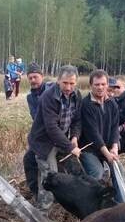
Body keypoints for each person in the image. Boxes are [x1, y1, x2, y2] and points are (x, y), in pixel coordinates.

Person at [27, 65, 83, 211]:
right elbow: (51, 128)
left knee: (76, 170)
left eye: (72, 83)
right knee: (50, 178)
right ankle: (42, 214)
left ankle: (71, 205)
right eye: (65, 83)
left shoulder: (77, 95)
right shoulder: (48, 97)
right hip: (44, 142)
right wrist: (70, 147)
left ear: (76, 82)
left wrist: (75, 137)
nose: (69, 87)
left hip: (62, 139)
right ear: (58, 80)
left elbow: (77, 120)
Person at [79, 70, 125, 202]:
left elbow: (114, 128)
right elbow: (93, 135)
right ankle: (92, 206)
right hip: (89, 149)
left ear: (107, 86)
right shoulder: (86, 105)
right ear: (90, 85)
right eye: (97, 84)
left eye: (103, 84)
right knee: (97, 174)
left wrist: (115, 148)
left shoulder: (112, 104)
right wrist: (107, 154)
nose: (100, 87)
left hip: (107, 148)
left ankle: (119, 205)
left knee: (119, 172)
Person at [22, 62, 53, 197]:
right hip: (42, 136)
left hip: (56, 134)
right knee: (29, 159)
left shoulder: (51, 90)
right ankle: (35, 192)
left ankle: (52, 193)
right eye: (30, 78)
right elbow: (36, 119)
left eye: (35, 77)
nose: (33, 80)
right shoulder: (30, 98)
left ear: (42, 76)